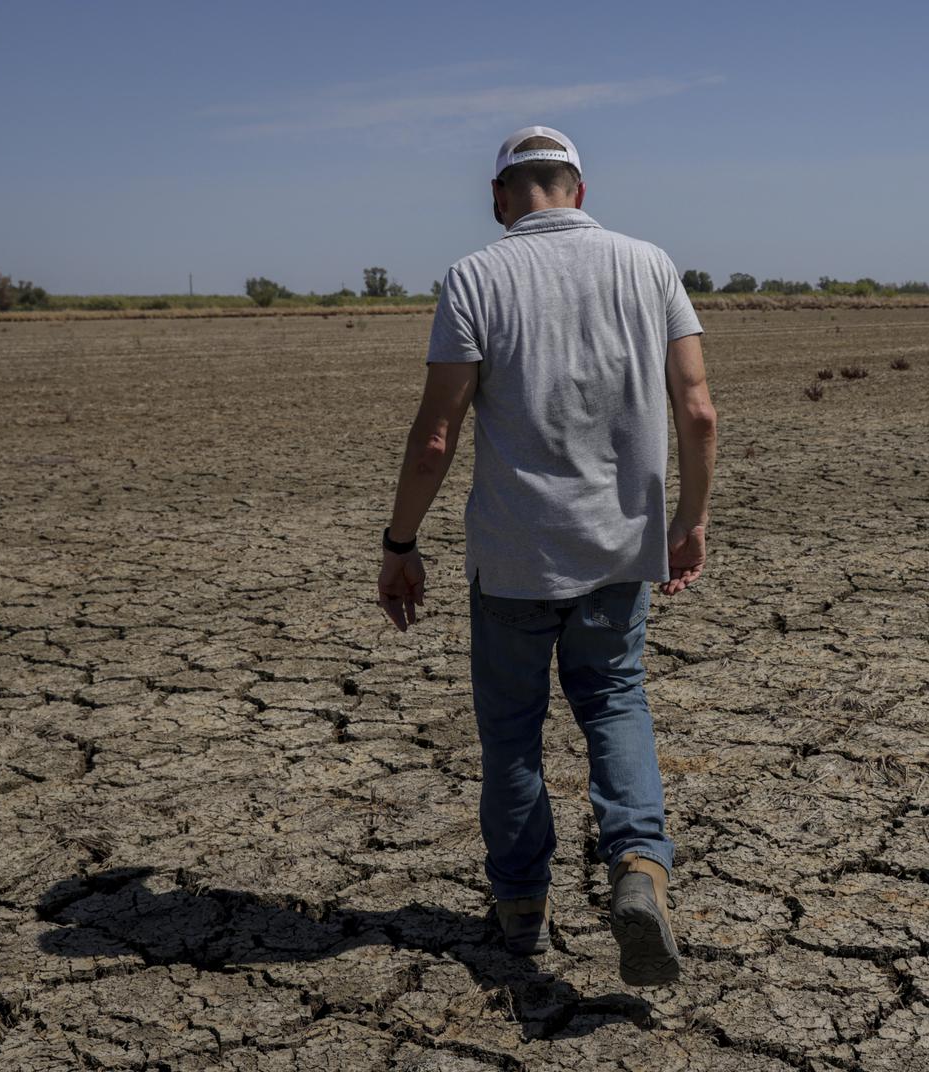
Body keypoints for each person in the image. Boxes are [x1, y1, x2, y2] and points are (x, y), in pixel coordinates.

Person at [375, 125, 717, 987]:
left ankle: (522, 909)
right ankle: (639, 869)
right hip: (619, 551)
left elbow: (435, 439)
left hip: (513, 559)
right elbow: (699, 411)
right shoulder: (650, 264)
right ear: (579, 189)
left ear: (499, 198)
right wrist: (691, 518)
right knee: (613, 705)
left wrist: (400, 542)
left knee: (512, 736)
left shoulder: (475, 276)